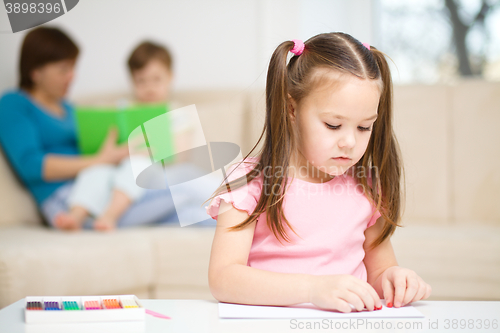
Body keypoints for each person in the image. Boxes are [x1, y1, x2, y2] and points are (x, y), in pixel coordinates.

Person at [205, 33, 432, 313]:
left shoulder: (366, 186)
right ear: (291, 108)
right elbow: (223, 278)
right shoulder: (250, 183)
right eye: (333, 125)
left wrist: (394, 278)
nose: (349, 142)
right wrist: (312, 289)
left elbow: (380, 270)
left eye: (364, 127)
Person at [0, 27, 211, 231]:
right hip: (73, 201)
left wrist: (113, 155)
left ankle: (241, 232)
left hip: (110, 186)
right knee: (188, 183)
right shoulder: (14, 104)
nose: (72, 76)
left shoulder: (70, 109)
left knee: (193, 215)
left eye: (73, 68)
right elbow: (30, 165)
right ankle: (240, 198)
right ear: (36, 72)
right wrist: (102, 159)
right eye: (63, 69)